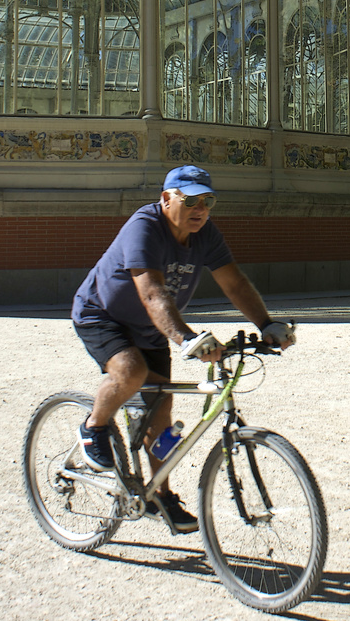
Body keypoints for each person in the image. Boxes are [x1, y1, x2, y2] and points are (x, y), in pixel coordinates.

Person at [71, 165, 294, 534]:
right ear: (166, 198)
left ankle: (160, 495)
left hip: (151, 325)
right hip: (102, 316)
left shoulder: (205, 234)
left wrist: (266, 324)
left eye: (208, 200)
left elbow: (234, 282)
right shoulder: (144, 227)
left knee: (162, 413)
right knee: (131, 372)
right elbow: (151, 292)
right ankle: (94, 425)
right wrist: (186, 338)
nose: (200, 208)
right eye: (190, 199)